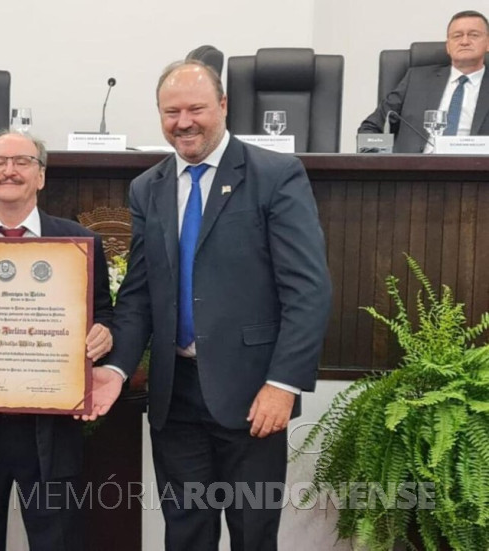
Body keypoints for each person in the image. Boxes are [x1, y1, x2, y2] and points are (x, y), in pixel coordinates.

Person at [100, 61, 331, 550]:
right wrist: (117, 369)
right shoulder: (148, 188)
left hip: (254, 395)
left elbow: (308, 289)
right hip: (174, 397)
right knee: (185, 534)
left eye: (196, 109)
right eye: (171, 112)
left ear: (223, 106)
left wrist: (283, 384)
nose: (184, 122)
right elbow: (139, 292)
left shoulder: (275, 175)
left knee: (252, 534)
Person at [0, 130, 114, 551]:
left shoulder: (79, 242)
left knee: (59, 542)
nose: (9, 171)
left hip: (51, 430)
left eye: (22, 162)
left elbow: (104, 311)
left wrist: (106, 333)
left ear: (41, 176)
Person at [359, 10, 489, 153]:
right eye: (457, 36)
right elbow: (370, 129)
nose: (464, 42)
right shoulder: (416, 80)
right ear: (448, 46)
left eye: (473, 35)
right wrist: (384, 164)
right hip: (412, 171)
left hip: (476, 171)